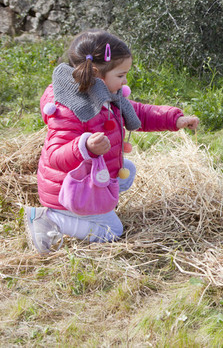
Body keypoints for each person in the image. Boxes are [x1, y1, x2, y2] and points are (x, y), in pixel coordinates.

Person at [24, 29, 200, 254]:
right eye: (120, 75)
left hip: (82, 178)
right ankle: (50, 219)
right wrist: (84, 146)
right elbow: (56, 155)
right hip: (66, 191)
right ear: (97, 74)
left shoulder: (104, 95)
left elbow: (138, 112)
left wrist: (176, 120)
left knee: (127, 171)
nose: (125, 81)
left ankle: (96, 203)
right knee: (112, 231)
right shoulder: (69, 108)